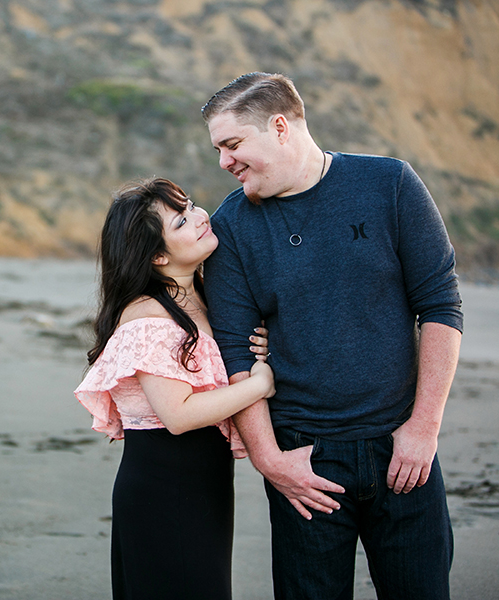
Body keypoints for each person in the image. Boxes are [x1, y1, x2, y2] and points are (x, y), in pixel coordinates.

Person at [200, 72, 463, 600]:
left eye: (232, 145)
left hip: (403, 447)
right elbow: (233, 346)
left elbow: (439, 305)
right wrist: (271, 461)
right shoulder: (231, 225)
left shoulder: (389, 185)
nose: (224, 162)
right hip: (304, 461)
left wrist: (423, 429)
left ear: (279, 126)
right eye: (219, 150)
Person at [74, 177, 275, 600]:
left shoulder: (201, 294)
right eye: (182, 221)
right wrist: (260, 383)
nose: (201, 217)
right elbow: (179, 415)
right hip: (164, 493)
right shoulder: (148, 315)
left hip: (204, 488)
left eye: (193, 206)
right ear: (159, 256)